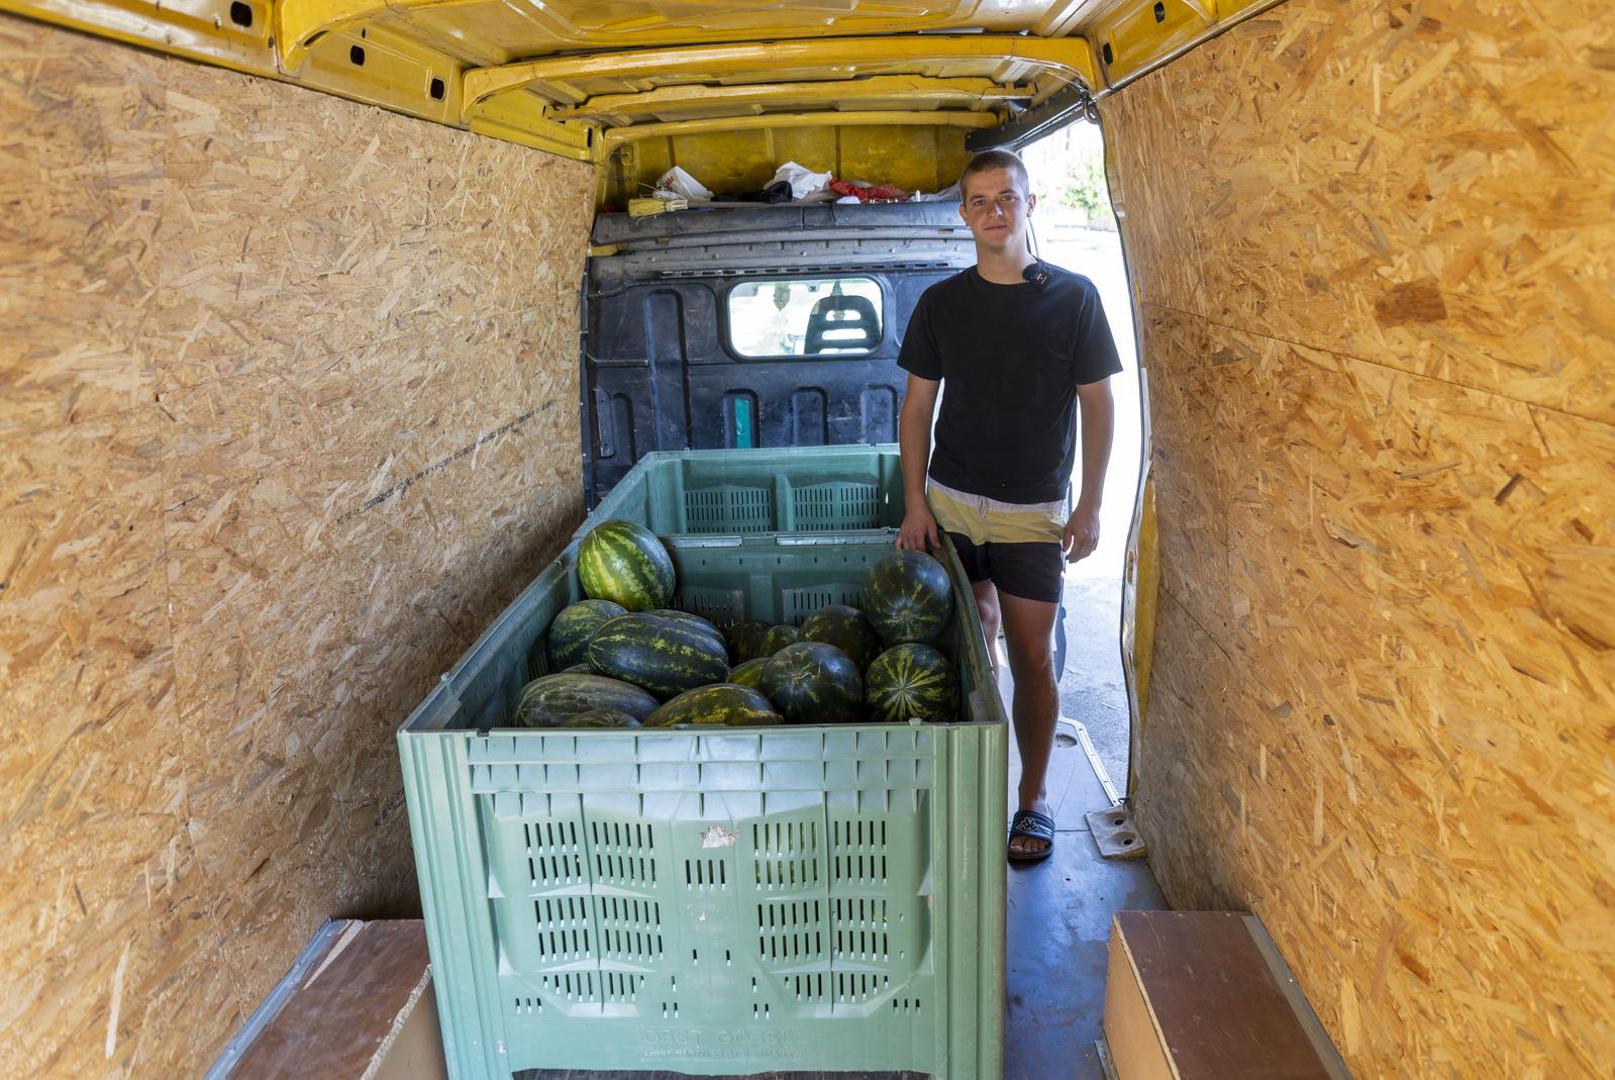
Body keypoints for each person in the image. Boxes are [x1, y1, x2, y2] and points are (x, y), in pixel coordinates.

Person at [895, 149, 1121, 862]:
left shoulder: (1074, 297)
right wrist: (913, 505)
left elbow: (1098, 404)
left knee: (1030, 654)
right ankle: (972, 783)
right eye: (980, 201)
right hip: (951, 505)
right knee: (972, 642)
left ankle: (1033, 798)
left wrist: (1088, 505)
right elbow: (915, 410)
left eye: (1007, 198)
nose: (994, 211)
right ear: (963, 214)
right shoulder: (941, 303)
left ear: (1030, 206)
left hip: (1032, 511)